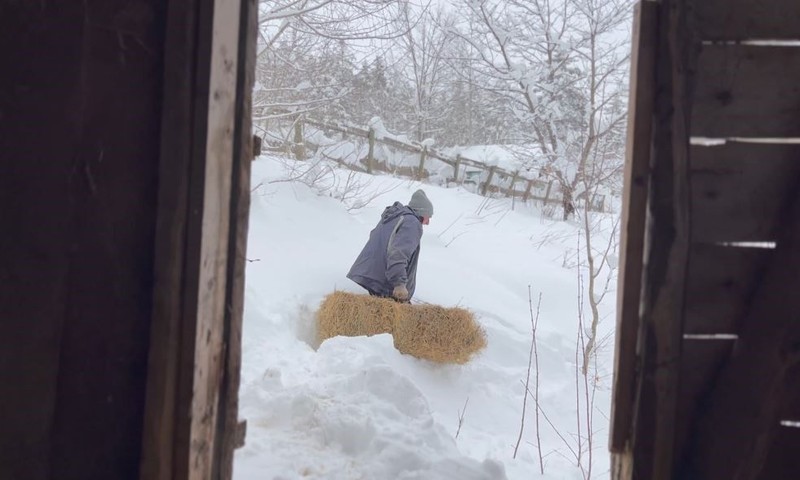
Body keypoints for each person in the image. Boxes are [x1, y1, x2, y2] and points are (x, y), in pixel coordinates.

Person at [347, 189, 434, 302]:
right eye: (429, 217)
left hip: (373, 276)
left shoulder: (395, 217)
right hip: (386, 284)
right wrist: (399, 284)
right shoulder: (412, 223)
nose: (428, 222)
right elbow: (398, 253)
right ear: (421, 213)